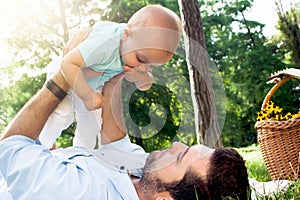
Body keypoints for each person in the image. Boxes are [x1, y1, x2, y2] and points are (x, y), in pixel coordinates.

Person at [0, 69, 249, 199]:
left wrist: (62, 78)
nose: (175, 144)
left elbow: (9, 148)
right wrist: (118, 73)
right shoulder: (144, 179)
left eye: (179, 157)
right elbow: (116, 140)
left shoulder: (84, 193)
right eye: (185, 146)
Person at [39, 4, 182, 149]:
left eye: (152, 66)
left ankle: (81, 155)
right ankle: (41, 146)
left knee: (92, 125)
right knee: (61, 115)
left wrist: (141, 77)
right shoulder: (104, 42)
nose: (143, 67)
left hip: (94, 84)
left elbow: (145, 83)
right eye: (141, 59)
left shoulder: (139, 52)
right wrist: (87, 96)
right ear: (125, 35)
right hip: (70, 75)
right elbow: (68, 63)